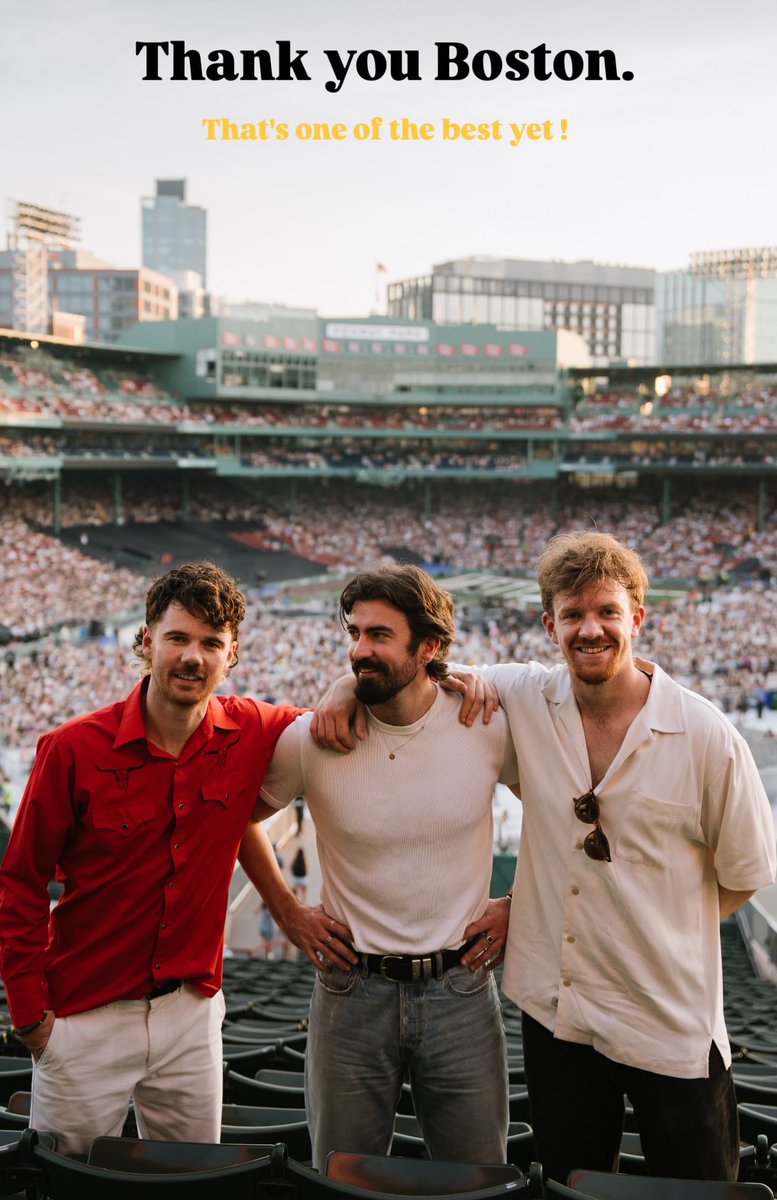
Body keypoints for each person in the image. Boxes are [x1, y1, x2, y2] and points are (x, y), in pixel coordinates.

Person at [472, 532, 776, 1183]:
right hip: (558, 1010)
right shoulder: (523, 696)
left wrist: (657, 917)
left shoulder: (706, 736)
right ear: (546, 622)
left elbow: (745, 875)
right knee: (572, 1180)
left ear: (637, 617)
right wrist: (334, 694)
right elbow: (421, 678)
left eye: (606, 612)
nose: (590, 629)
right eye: (572, 614)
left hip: (667, 1011)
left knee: (694, 1187)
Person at [0, 562, 301, 1156]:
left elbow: (333, 718)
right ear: (146, 641)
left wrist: (346, 687)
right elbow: (21, 881)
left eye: (211, 644)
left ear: (231, 654)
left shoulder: (253, 729)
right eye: (178, 638)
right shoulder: (71, 750)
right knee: (72, 1182)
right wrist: (32, 1017)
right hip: (84, 1016)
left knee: (191, 1183)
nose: (193, 657)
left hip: (190, 1016)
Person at [238, 564, 519, 1169]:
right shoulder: (315, 738)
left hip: (461, 991)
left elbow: (567, 809)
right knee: (342, 1175)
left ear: (430, 648)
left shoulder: (486, 724)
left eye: (379, 636)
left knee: (476, 1179)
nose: (359, 650)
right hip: (350, 991)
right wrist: (288, 913)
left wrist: (519, 903)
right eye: (354, 633)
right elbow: (238, 817)